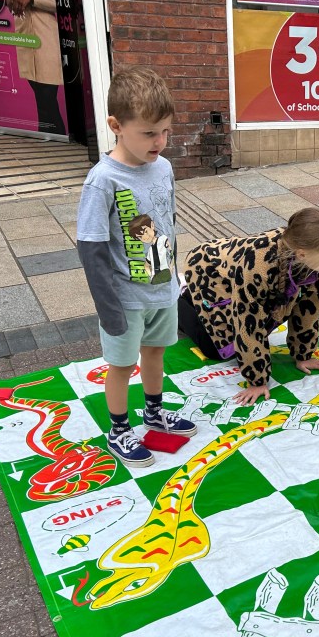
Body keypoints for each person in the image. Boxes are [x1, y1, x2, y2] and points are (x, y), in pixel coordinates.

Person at [77, 66, 197, 468]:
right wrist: (107, 308)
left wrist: (174, 277)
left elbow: (168, 223)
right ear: (116, 125)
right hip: (124, 299)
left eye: (165, 131)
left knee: (156, 354)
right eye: (148, 133)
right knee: (122, 363)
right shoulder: (103, 180)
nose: (160, 142)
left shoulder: (162, 167)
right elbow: (91, 248)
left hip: (161, 287)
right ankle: (118, 428)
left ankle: (153, 412)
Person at [179, 207, 319, 405]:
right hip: (207, 270)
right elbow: (247, 324)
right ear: (301, 254)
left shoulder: (308, 259)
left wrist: (304, 355)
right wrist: (257, 380)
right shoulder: (258, 267)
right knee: (216, 349)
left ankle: (193, 301)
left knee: (274, 313)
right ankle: (182, 298)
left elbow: (309, 309)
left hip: (241, 273)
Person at [6, 0, 66, 136]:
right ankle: (47, 139)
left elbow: (63, 5)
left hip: (46, 38)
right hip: (25, 39)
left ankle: (54, 139)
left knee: (47, 99)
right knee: (42, 101)